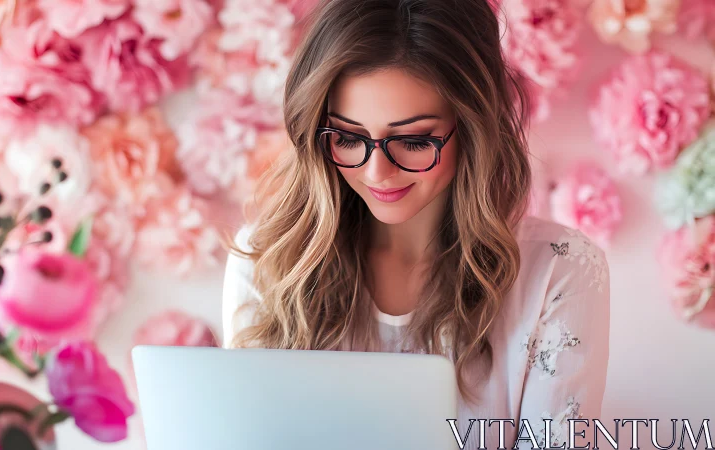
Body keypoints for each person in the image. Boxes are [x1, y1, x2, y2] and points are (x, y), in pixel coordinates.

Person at [221, 0, 610, 448]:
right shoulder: (267, 263)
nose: (376, 173)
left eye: (413, 140)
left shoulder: (559, 271)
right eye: (346, 137)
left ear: (473, 127)